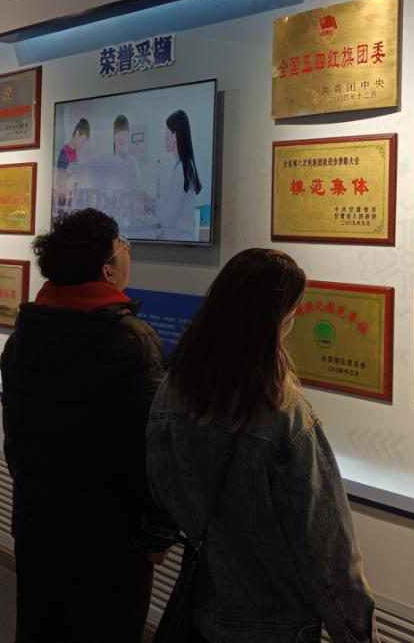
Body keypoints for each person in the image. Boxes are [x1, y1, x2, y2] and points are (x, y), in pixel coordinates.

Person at [146, 248, 380, 643]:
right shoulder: (284, 416)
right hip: (276, 623)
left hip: (205, 608)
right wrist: (357, 633)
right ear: (275, 320)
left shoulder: (171, 395)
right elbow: (327, 550)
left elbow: (161, 489)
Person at [0, 208, 174, 642]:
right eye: (123, 245)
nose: (129, 252)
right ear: (107, 270)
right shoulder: (132, 340)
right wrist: (157, 530)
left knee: (40, 627)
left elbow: (17, 439)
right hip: (109, 539)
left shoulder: (26, 332)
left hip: (37, 523)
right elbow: (150, 448)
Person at [154, 110, 201, 239]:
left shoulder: (183, 170)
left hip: (179, 240)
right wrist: (152, 202)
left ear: (174, 136)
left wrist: (151, 207)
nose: (164, 138)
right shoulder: (181, 167)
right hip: (176, 239)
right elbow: (169, 207)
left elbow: (168, 219)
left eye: (166, 133)